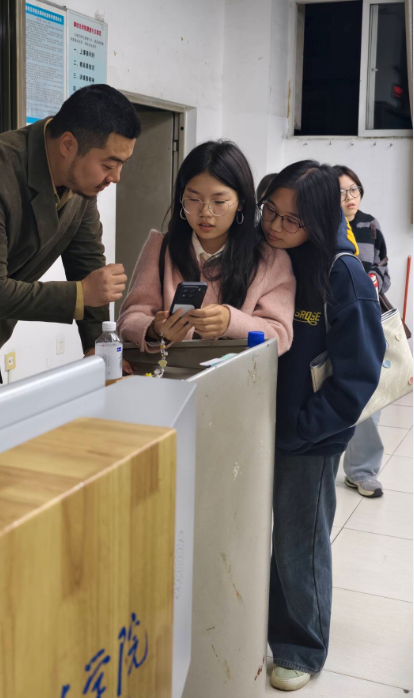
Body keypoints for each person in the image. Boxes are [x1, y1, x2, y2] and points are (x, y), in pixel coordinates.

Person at [0, 85, 140, 411]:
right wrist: (80, 294)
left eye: (122, 164)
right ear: (68, 144)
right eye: (108, 164)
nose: (115, 177)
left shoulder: (79, 185)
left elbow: (88, 265)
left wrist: (96, 347)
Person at [259, 161, 385, 691]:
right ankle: (260, 624)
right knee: (255, 535)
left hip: (310, 436)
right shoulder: (264, 257)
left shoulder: (341, 272)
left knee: (300, 542)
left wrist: (305, 426)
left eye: (292, 219)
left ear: (318, 217)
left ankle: (301, 648)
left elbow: (359, 374)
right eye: (270, 211)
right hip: (255, 428)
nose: (276, 226)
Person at [117, 140, 295, 356]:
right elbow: (128, 319)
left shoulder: (271, 259)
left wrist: (231, 322)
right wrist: (155, 329)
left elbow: (280, 335)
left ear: (241, 202)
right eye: (193, 199)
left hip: (239, 376)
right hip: (171, 373)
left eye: (219, 202)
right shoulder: (161, 247)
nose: (205, 212)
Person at [334, 164, 391, 498]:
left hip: (369, 319)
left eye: (353, 189)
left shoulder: (370, 224)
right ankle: (328, 462)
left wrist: (375, 280)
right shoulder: (325, 227)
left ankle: (362, 471)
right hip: (337, 320)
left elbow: (383, 267)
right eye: (342, 192)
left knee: (372, 392)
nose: (350, 197)